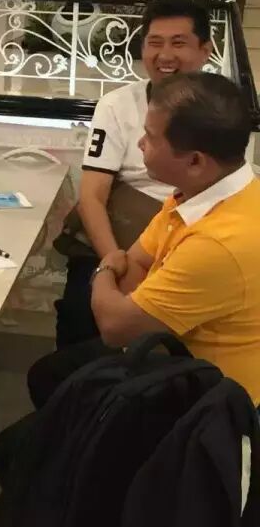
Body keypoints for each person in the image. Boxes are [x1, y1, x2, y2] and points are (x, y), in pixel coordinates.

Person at [29, 72, 260, 408]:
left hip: (209, 396)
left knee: (40, 413)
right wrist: (124, 294)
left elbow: (115, 327)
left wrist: (105, 268)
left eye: (150, 137)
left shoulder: (219, 243)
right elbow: (136, 263)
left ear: (195, 161)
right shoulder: (199, 193)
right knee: (49, 374)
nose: (139, 144)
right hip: (171, 350)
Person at [55, 0, 212, 348]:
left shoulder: (220, 110)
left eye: (178, 43)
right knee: (79, 313)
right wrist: (116, 261)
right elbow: (92, 195)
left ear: (205, 50)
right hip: (122, 236)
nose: (165, 55)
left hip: (189, 243)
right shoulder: (117, 105)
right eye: (155, 43)